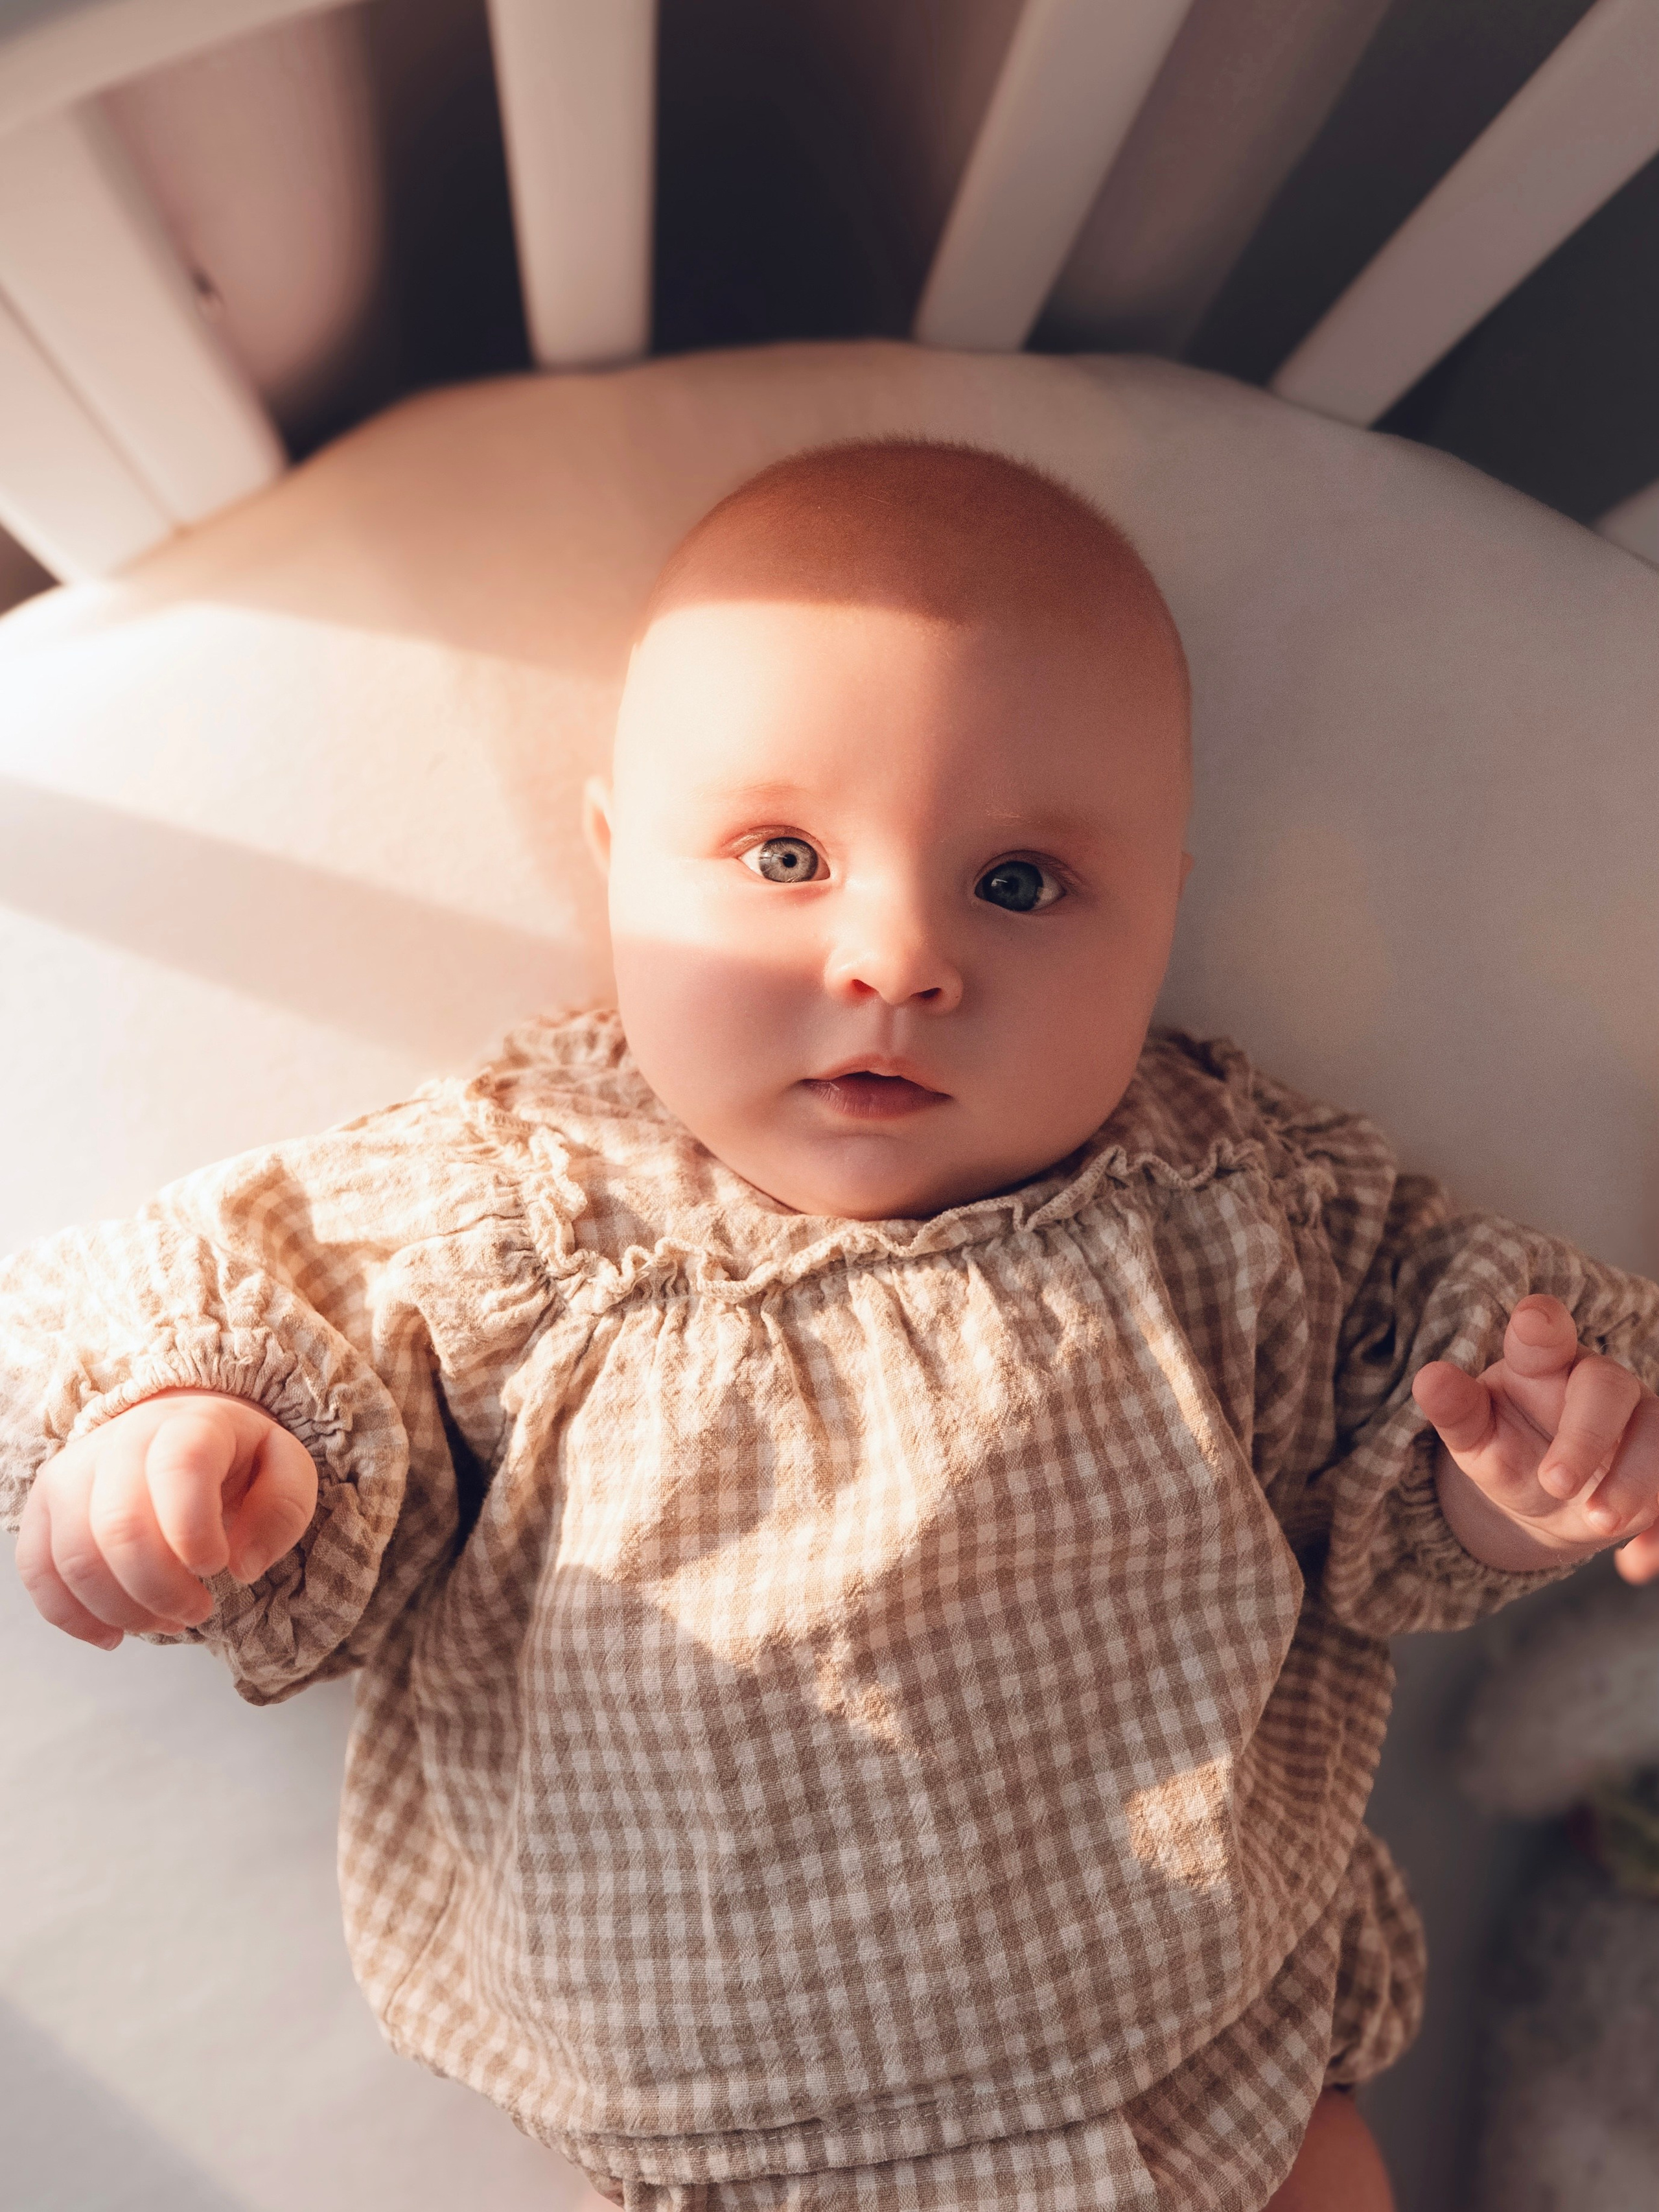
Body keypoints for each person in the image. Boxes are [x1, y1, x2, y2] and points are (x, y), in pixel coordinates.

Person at [4, 443, 1657, 2211]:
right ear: (616, 860)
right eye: (785, 855)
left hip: (1205, 2086)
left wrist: (1531, 1476)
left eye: (1019, 884)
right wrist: (192, 1448)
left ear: (1165, 908)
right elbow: (229, 1318)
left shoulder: (1244, 1207)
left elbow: (1413, 1454)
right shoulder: (523, 1206)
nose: (896, 955)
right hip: (718, 2151)